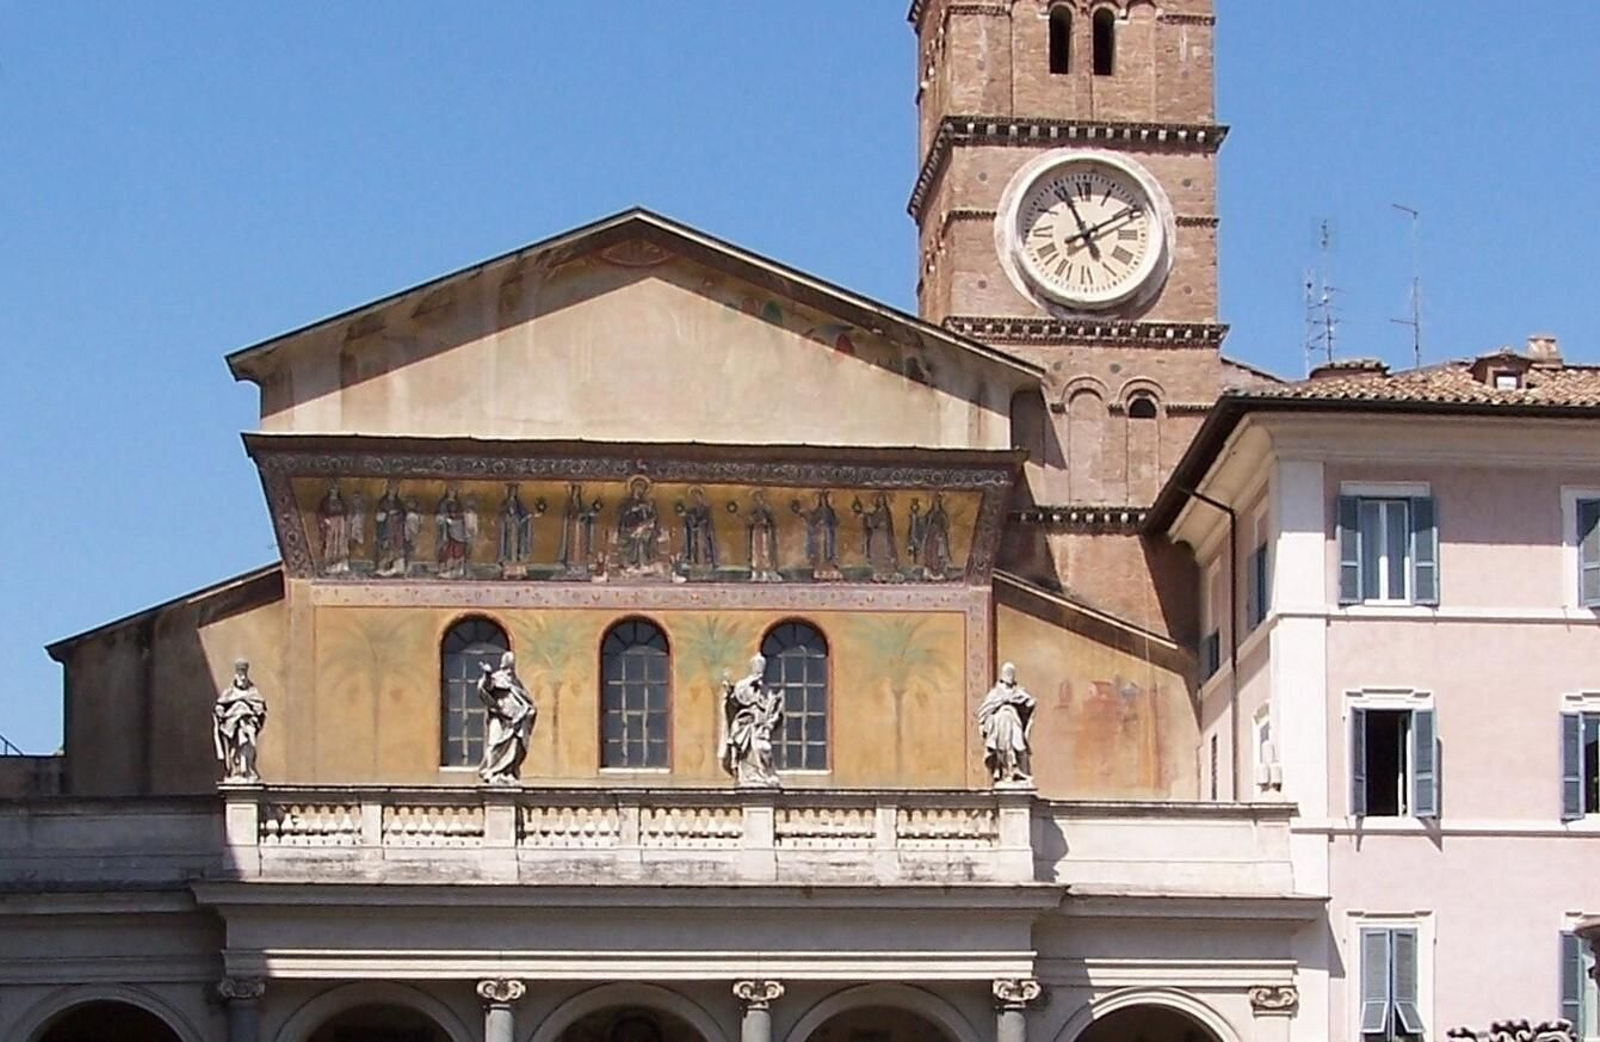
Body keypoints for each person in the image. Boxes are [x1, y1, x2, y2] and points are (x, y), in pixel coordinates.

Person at [720, 654, 783, 787]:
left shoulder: (767, 691)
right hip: (746, 723)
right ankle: (748, 776)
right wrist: (730, 691)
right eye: (757, 666)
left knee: (763, 748)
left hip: (761, 726)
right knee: (746, 749)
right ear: (752, 667)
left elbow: (774, 711)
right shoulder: (744, 684)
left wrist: (771, 719)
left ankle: (765, 774)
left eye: (761, 667)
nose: (759, 669)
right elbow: (735, 700)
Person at [477, 652, 536, 784]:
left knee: (514, 747)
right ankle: (492, 771)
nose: (511, 665)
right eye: (509, 661)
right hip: (499, 718)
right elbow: (485, 688)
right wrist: (487, 674)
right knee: (495, 744)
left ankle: (507, 772)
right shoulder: (496, 677)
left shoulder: (516, 681)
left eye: (512, 662)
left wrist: (527, 712)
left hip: (515, 721)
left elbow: (526, 700)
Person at [978, 662, 1036, 785]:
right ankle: (1007, 770)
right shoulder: (995, 693)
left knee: (1018, 743)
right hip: (1000, 722)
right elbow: (984, 710)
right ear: (1003, 675)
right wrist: (1002, 702)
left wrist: (1025, 703)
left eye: (1011, 673)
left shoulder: (1019, 691)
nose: (1009, 675)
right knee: (1003, 743)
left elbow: (1029, 704)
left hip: (1014, 720)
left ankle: (1017, 769)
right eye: (1007, 673)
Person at [214, 659, 268, 783]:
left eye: (244, 674)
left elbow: (260, 706)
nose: (242, 678)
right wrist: (220, 711)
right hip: (232, 727)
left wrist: (257, 711)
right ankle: (236, 770)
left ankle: (247, 769)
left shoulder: (253, 692)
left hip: (247, 725)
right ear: (236, 675)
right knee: (235, 750)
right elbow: (220, 705)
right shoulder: (229, 692)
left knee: (248, 745)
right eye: (240, 674)